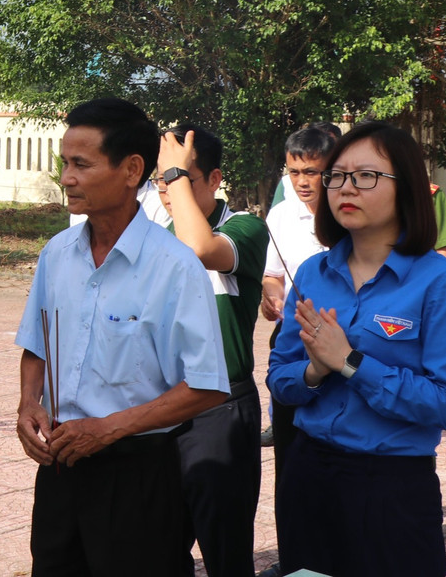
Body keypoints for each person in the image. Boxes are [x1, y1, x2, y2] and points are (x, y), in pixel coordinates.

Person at [15, 98, 229, 577]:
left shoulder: (174, 267)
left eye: (81, 164)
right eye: (64, 163)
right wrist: (29, 402)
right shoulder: (56, 254)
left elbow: (207, 384)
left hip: (138, 476)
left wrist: (110, 428)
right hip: (60, 469)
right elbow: (36, 341)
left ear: (132, 169)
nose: (66, 177)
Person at [266, 120, 446, 577]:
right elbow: (280, 378)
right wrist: (313, 373)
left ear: (405, 188)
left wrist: (350, 363)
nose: (346, 188)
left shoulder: (441, 282)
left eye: (366, 176)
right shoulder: (312, 273)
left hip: (391, 485)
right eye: (337, 176)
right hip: (309, 471)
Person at [154, 125, 266, 577]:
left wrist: (174, 171)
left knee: (225, 548)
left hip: (221, 409)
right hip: (161, 407)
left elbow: (201, 247)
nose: (168, 190)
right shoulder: (153, 238)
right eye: (160, 180)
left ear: (215, 179)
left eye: (180, 177)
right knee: (159, 544)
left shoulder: (245, 228)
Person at [259, 127, 335, 494]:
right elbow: (272, 275)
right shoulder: (281, 216)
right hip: (294, 339)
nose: (302, 182)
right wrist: (271, 297)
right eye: (294, 172)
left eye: (312, 172)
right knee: (291, 443)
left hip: (343, 337)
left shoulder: (347, 214)